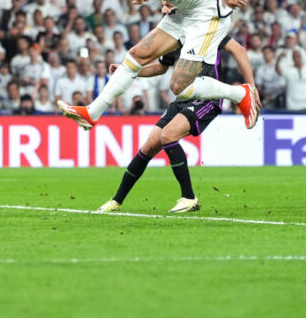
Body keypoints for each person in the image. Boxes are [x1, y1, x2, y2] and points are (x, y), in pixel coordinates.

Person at [57, 0, 259, 131]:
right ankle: (92, 113)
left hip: (208, 14)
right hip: (183, 12)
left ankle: (241, 94)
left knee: (179, 87)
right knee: (136, 55)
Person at [98, 21, 260, 214]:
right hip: (182, 98)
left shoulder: (205, 27)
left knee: (168, 136)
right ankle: (116, 201)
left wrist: (252, 88)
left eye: (169, 3)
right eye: (164, 4)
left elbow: (239, 50)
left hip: (206, 97)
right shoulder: (173, 35)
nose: (166, 7)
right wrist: (128, 72)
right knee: (148, 147)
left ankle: (189, 198)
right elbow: (161, 67)